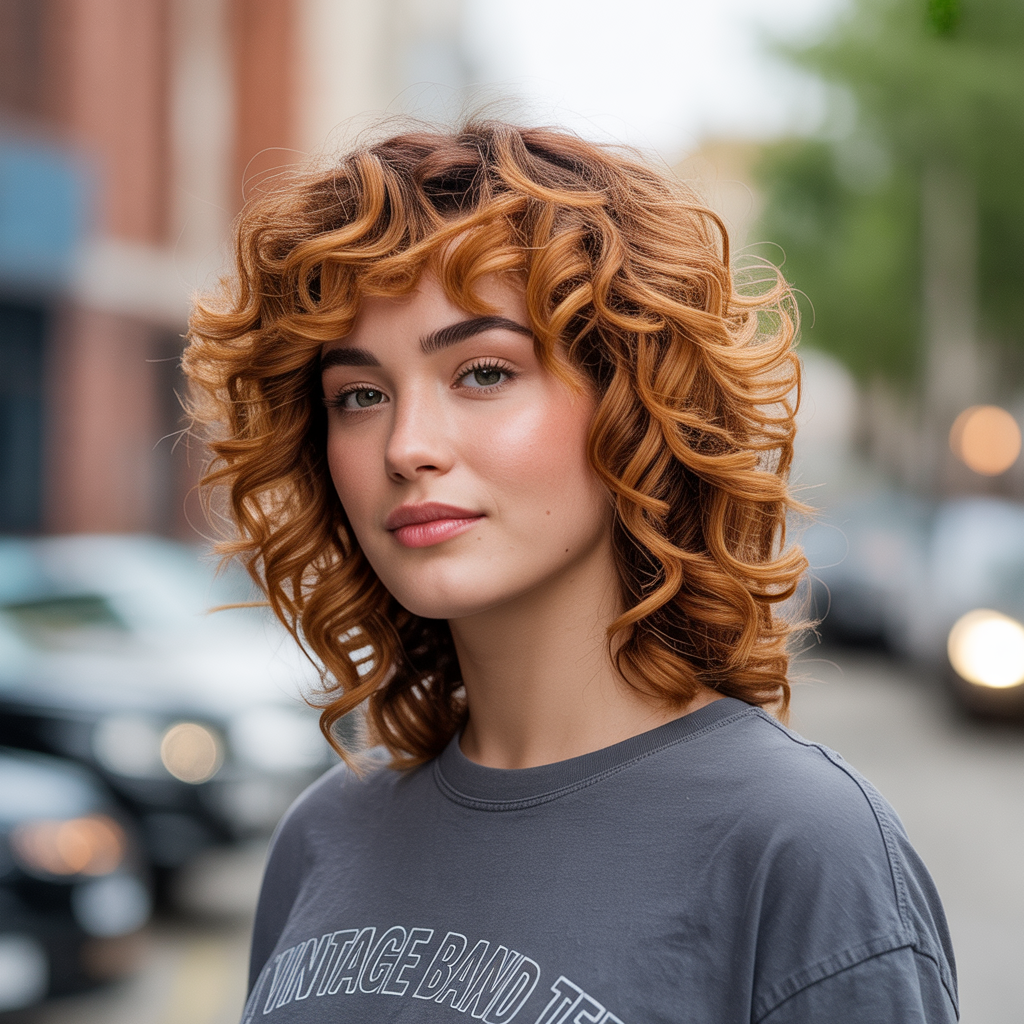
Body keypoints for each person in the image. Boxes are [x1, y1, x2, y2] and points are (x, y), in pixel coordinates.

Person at [183, 120, 958, 1023]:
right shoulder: (323, 837)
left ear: (632, 405)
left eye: (481, 372)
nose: (407, 447)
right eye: (359, 395)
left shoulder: (800, 850)